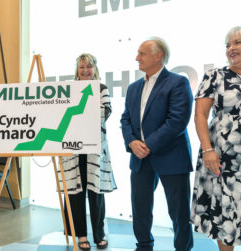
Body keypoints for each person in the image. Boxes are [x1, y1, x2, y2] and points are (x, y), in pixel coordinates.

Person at [190, 25, 241, 251]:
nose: (231, 48)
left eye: (238, 43)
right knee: (224, 218)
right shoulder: (215, 76)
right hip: (222, 162)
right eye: (228, 44)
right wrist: (207, 150)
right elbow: (200, 115)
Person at [120, 37, 194, 251]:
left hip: (171, 156)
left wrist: (147, 145)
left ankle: (182, 248)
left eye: (142, 53)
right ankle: (143, 245)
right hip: (140, 158)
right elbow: (126, 119)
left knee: (178, 212)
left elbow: (177, 121)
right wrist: (132, 142)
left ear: (158, 55)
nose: (137, 58)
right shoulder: (134, 88)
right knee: (140, 208)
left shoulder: (178, 82)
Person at [58, 53, 116, 250]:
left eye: (88, 67)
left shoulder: (101, 88)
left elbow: (105, 112)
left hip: (94, 149)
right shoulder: (68, 89)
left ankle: (99, 234)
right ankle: (80, 235)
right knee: (74, 193)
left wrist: (75, 116)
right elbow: (59, 114)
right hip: (72, 149)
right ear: (77, 69)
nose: (85, 70)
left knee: (95, 193)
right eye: (82, 67)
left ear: (94, 68)